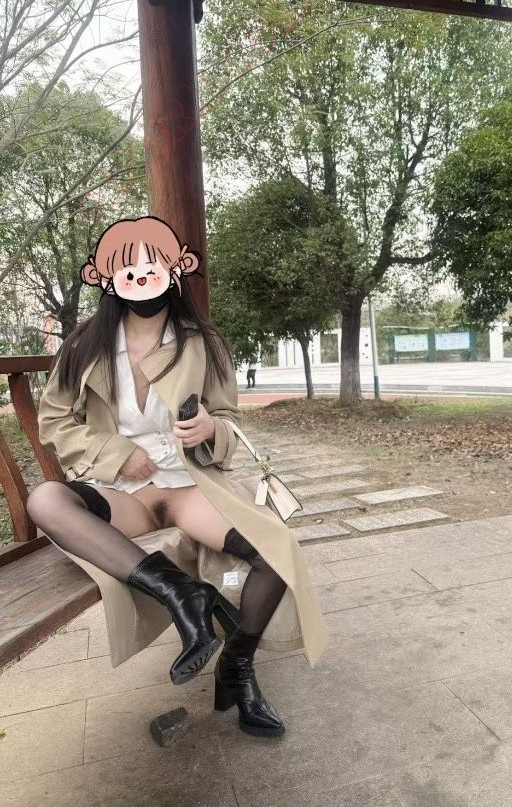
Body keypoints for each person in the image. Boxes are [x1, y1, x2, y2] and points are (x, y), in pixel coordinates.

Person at [28, 216, 328, 738]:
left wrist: (211, 428)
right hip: (121, 492)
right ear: (105, 277)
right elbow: (54, 420)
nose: (140, 277)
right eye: (127, 270)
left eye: (152, 266)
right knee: (46, 500)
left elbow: (227, 417)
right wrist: (114, 452)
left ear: (176, 269)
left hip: (189, 486)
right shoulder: (84, 345)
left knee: (276, 549)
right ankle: (183, 593)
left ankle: (237, 667)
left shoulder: (203, 343)